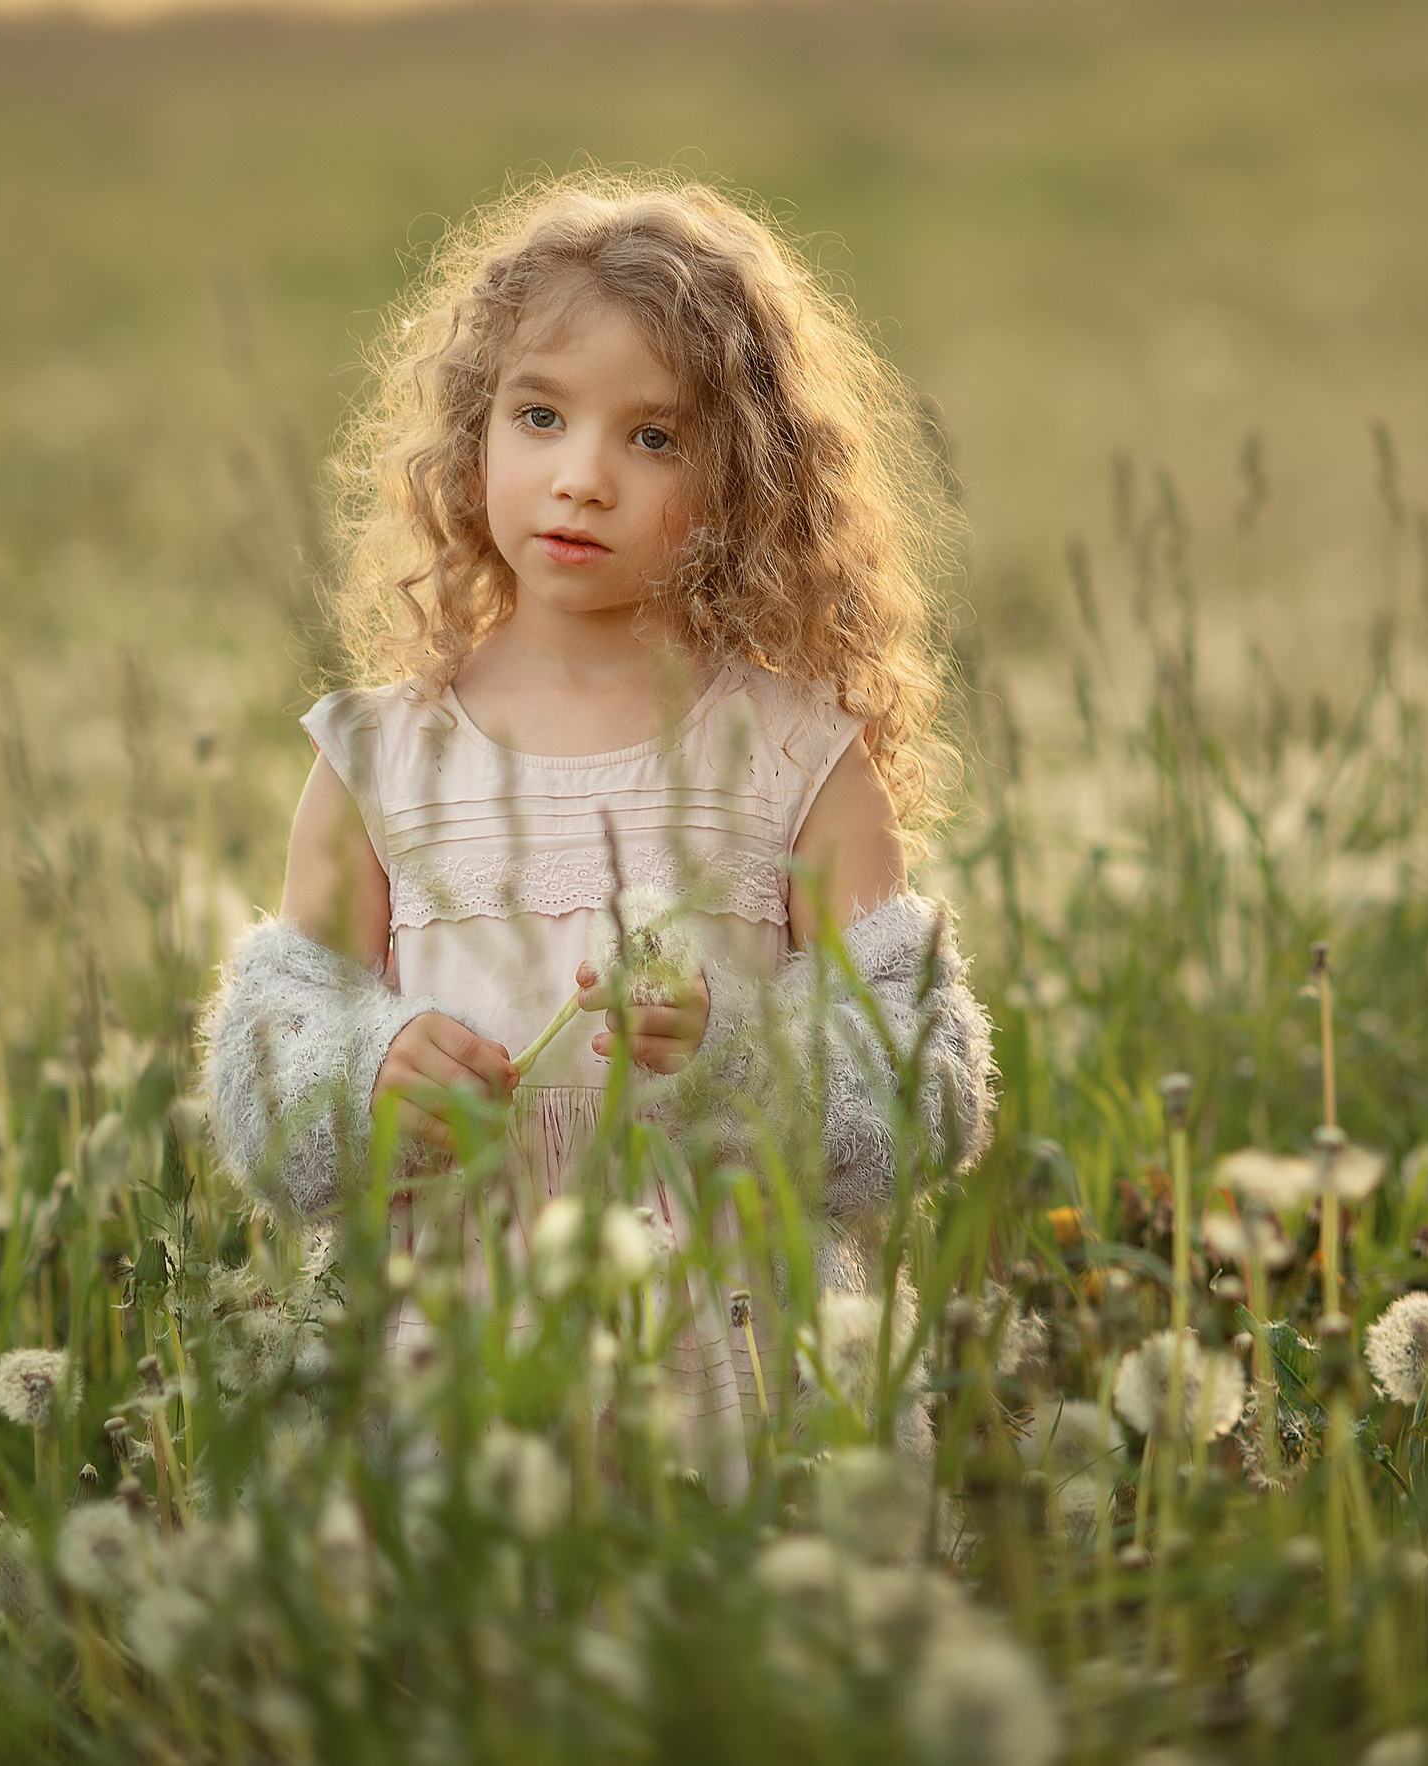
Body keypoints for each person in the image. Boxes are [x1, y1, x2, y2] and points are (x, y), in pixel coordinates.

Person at [198, 176, 994, 1490]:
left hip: (736, 1362)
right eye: (541, 415)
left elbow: (924, 1087)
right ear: (473, 438)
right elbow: (274, 1067)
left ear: (747, 477)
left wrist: (731, 1051)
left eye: (655, 440)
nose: (581, 476)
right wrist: (371, 1067)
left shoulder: (797, 757)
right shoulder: (383, 760)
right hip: (451, 1361)